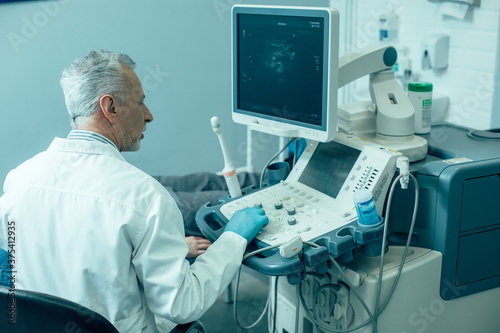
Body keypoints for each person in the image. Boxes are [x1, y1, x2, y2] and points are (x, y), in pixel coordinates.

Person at [0, 49, 268, 332]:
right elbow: (182, 305)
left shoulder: (18, 180)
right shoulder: (146, 198)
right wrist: (234, 238)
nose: (149, 115)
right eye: (141, 102)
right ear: (111, 107)